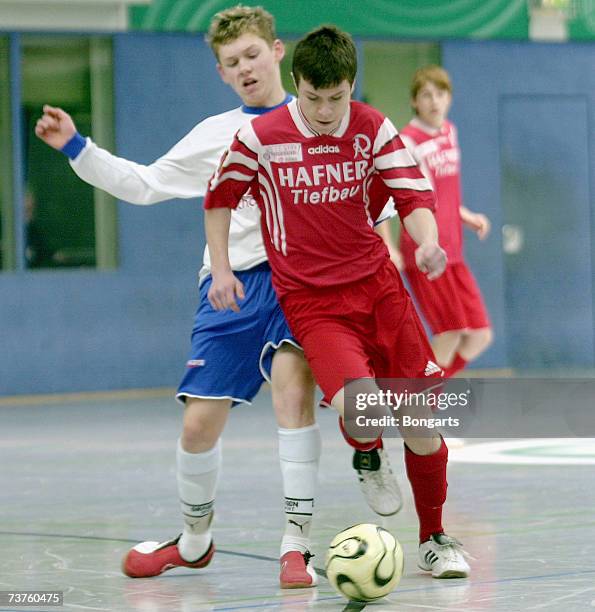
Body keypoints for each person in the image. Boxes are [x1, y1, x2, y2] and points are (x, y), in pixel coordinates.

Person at [34, 6, 401, 588]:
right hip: (230, 287)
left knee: (293, 396)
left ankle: (296, 545)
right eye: (232, 63)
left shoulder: (323, 119)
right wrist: (77, 145)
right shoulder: (215, 135)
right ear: (222, 74)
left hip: (299, 282)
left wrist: (389, 252)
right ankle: (195, 542)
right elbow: (146, 183)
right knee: (198, 426)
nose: (246, 67)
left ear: (277, 52)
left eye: (253, 54)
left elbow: (373, 197)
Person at [204, 25, 471, 578]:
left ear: (352, 86)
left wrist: (426, 243)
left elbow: (411, 195)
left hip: (379, 290)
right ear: (296, 84)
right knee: (359, 406)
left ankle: (435, 537)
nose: (326, 111)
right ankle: (368, 452)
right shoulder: (262, 137)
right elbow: (219, 198)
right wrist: (223, 269)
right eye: (313, 98)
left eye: (338, 97)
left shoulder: (373, 127)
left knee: (421, 424)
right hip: (313, 302)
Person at [394, 65, 493, 378]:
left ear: (449, 98)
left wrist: (466, 215)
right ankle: (420, 404)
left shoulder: (451, 131)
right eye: (426, 95)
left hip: (454, 248)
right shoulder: (407, 142)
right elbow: (412, 199)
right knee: (449, 332)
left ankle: (422, 394)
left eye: (440, 94)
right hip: (426, 250)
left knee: (479, 335)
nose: (434, 101)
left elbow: (443, 191)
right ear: (414, 102)